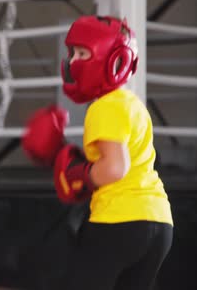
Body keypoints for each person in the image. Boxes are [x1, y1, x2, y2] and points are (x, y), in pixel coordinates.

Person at [22, 16, 173, 290]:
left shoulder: (103, 107)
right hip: (160, 222)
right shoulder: (132, 104)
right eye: (72, 53)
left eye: (82, 53)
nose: (72, 62)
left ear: (113, 60)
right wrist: (75, 157)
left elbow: (115, 168)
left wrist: (80, 174)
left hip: (118, 221)